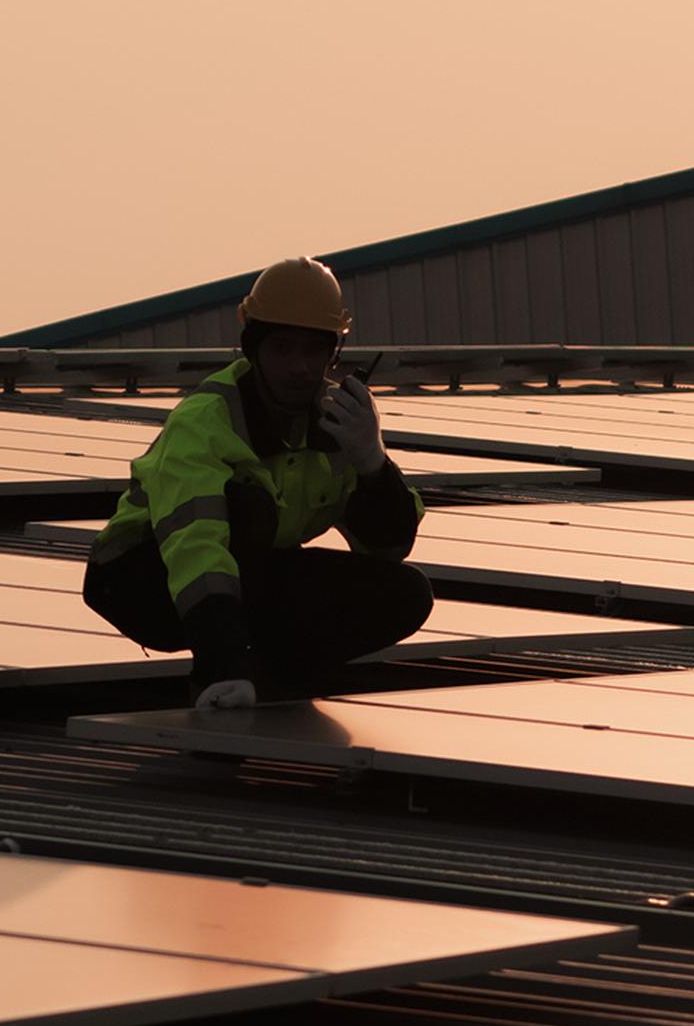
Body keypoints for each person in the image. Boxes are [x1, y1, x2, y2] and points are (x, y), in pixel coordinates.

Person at [85, 259, 434, 708]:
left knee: (404, 593)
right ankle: (220, 682)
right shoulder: (205, 422)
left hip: (252, 572)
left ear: (334, 353)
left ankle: (274, 682)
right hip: (140, 579)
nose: (300, 367)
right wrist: (224, 665)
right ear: (253, 349)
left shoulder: (338, 423)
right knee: (249, 510)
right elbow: (197, 547)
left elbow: (385, 551)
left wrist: (372, 463)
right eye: (283, 349)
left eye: (313, 350)